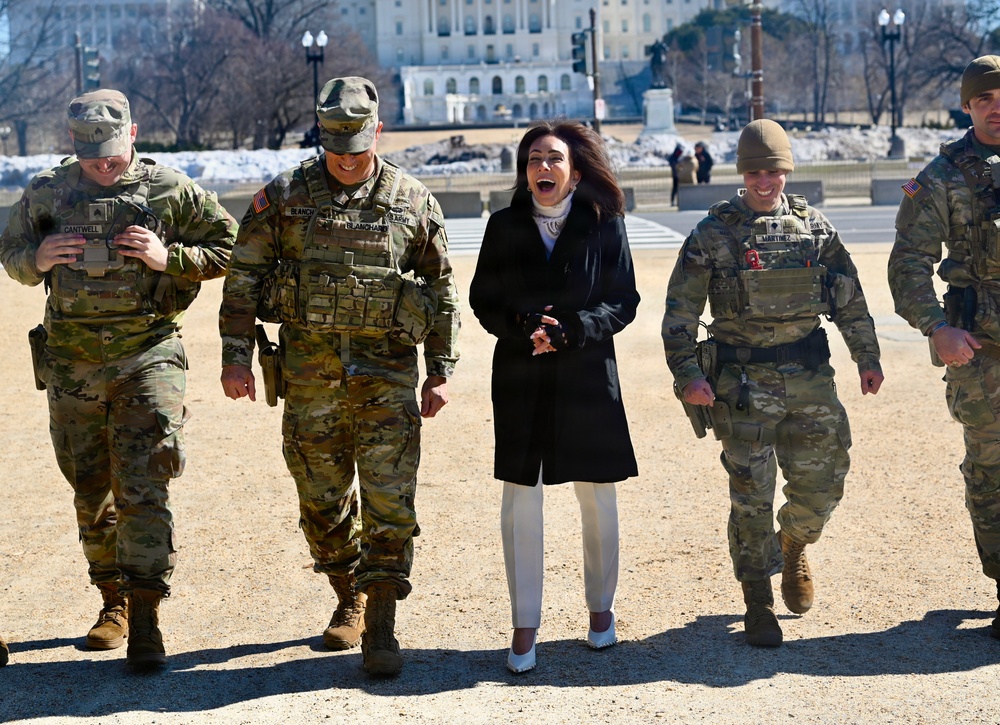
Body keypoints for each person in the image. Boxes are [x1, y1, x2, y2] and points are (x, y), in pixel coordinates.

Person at [218, 76, 460, 677]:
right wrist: (234, 357)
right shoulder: (284, 197)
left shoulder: (411, 200)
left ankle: (381, 619)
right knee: (321, 504)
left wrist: (441, 370)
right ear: (321, 138)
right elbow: (243, 276)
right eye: (336, 150)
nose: (348, 162)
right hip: (309, 380)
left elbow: (442, 288)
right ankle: (346, 588)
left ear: (378, 131)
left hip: (386, 378)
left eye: (358, 148)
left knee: (390, 501)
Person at [0, 89, 237, 669]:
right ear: (73, 146)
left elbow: (231, 246)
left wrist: (169, 258)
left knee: (145, 487)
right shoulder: (49, 191)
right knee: (91, 490)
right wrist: (39, 258)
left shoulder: (170, 189)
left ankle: (148, 616)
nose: (104, 165)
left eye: (112, 152)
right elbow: (9, 252)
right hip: (72, 366)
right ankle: (114, 602)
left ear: (134, 134)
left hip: (147, 357)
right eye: (91, 156)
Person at [662, 119, 883, 647]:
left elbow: (849, 299)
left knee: (824, 485)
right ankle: (758, 600)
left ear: (787, 171)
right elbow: (679, 314)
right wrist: (688, 375)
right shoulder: (712, 234)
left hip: (810, 378)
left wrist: (866, 356)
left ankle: (793, 543)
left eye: (776, 171)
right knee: (750, 497)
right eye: (756, 171)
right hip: (741, 385)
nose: (766, 181)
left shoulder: (815, 228)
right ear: (743, 172)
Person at [469, 120, 640, 673]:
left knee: (598, 497)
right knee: (521, 499)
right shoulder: (502, 226)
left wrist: (572, 329)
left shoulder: (604, 225)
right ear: (525, 170)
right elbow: (482, 298)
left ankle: (601, 610)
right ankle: (524, 625)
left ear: (576, 171)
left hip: (587, 373)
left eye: (554, 159)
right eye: (534, 158)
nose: (543, 167)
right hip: (521, 374)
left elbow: (623, 300)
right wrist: (523, 326)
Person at [887, 55, 1000, 640]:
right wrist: (937, 327)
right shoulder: (941, 177)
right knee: (993, 469)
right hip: (981, 354)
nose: (995, 106)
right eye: (984, 98)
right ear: (967, 105)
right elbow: (907, 262)